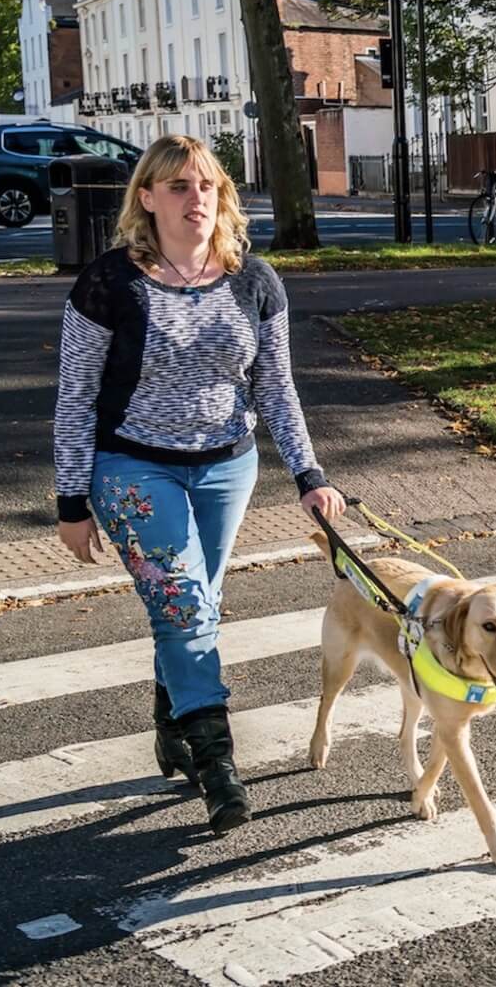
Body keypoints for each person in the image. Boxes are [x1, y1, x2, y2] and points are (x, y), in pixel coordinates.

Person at [52, 134, 346, 835]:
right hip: (131, 467)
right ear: (147, 199)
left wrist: (310, 474)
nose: (197, 199)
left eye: (208, 185)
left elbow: (276, 388)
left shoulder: (254, 280)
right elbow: (75, 397)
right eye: (179, 187)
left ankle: (173, 725)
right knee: (184, 607)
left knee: (193, 606)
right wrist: (70, 500)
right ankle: (219, 766)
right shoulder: (108, 283)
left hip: (226, 466)